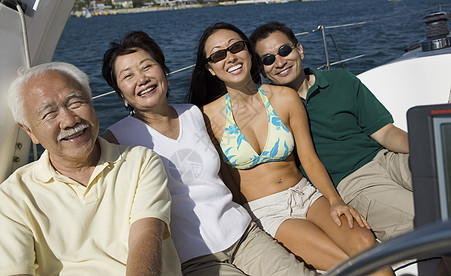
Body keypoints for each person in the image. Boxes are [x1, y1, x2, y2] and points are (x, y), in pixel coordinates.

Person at [101, 30, 317, 276]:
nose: (142, 79)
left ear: (164, 71)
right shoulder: (117, 139)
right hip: (196, 259)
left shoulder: (194, 114)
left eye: (147, 67)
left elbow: (228, 172)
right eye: (128, 76)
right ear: (120, 92)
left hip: (244, 235)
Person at [188, 22, 394, 275]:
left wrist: (335, 200)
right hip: (266, 211)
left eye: (236, 47)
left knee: (367, 247)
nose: (230, 56)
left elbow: (309, 159)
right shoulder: (206, 118)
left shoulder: (285, 98)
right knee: (346, 264)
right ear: (210, 68)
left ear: (248, 51)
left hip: (306, 194)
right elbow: (228, 183)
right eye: (219, 54)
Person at [0, 62, 182, 276]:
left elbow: (146, 238)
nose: (69, 120)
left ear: (91, 103)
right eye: (49, 114)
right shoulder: (12, 197)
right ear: (29, 131)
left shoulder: (140, 162)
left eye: (76, 102)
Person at [249, 21, 413, 242]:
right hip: (354, 182)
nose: (279, 62)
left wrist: (429, 148)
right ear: (262, 70)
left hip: (388, 158)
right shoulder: (271, 114)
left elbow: (385, 133)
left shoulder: (342, 81)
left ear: (300, 49)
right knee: (427, 217)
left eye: (284, 50)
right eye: (268, 60)